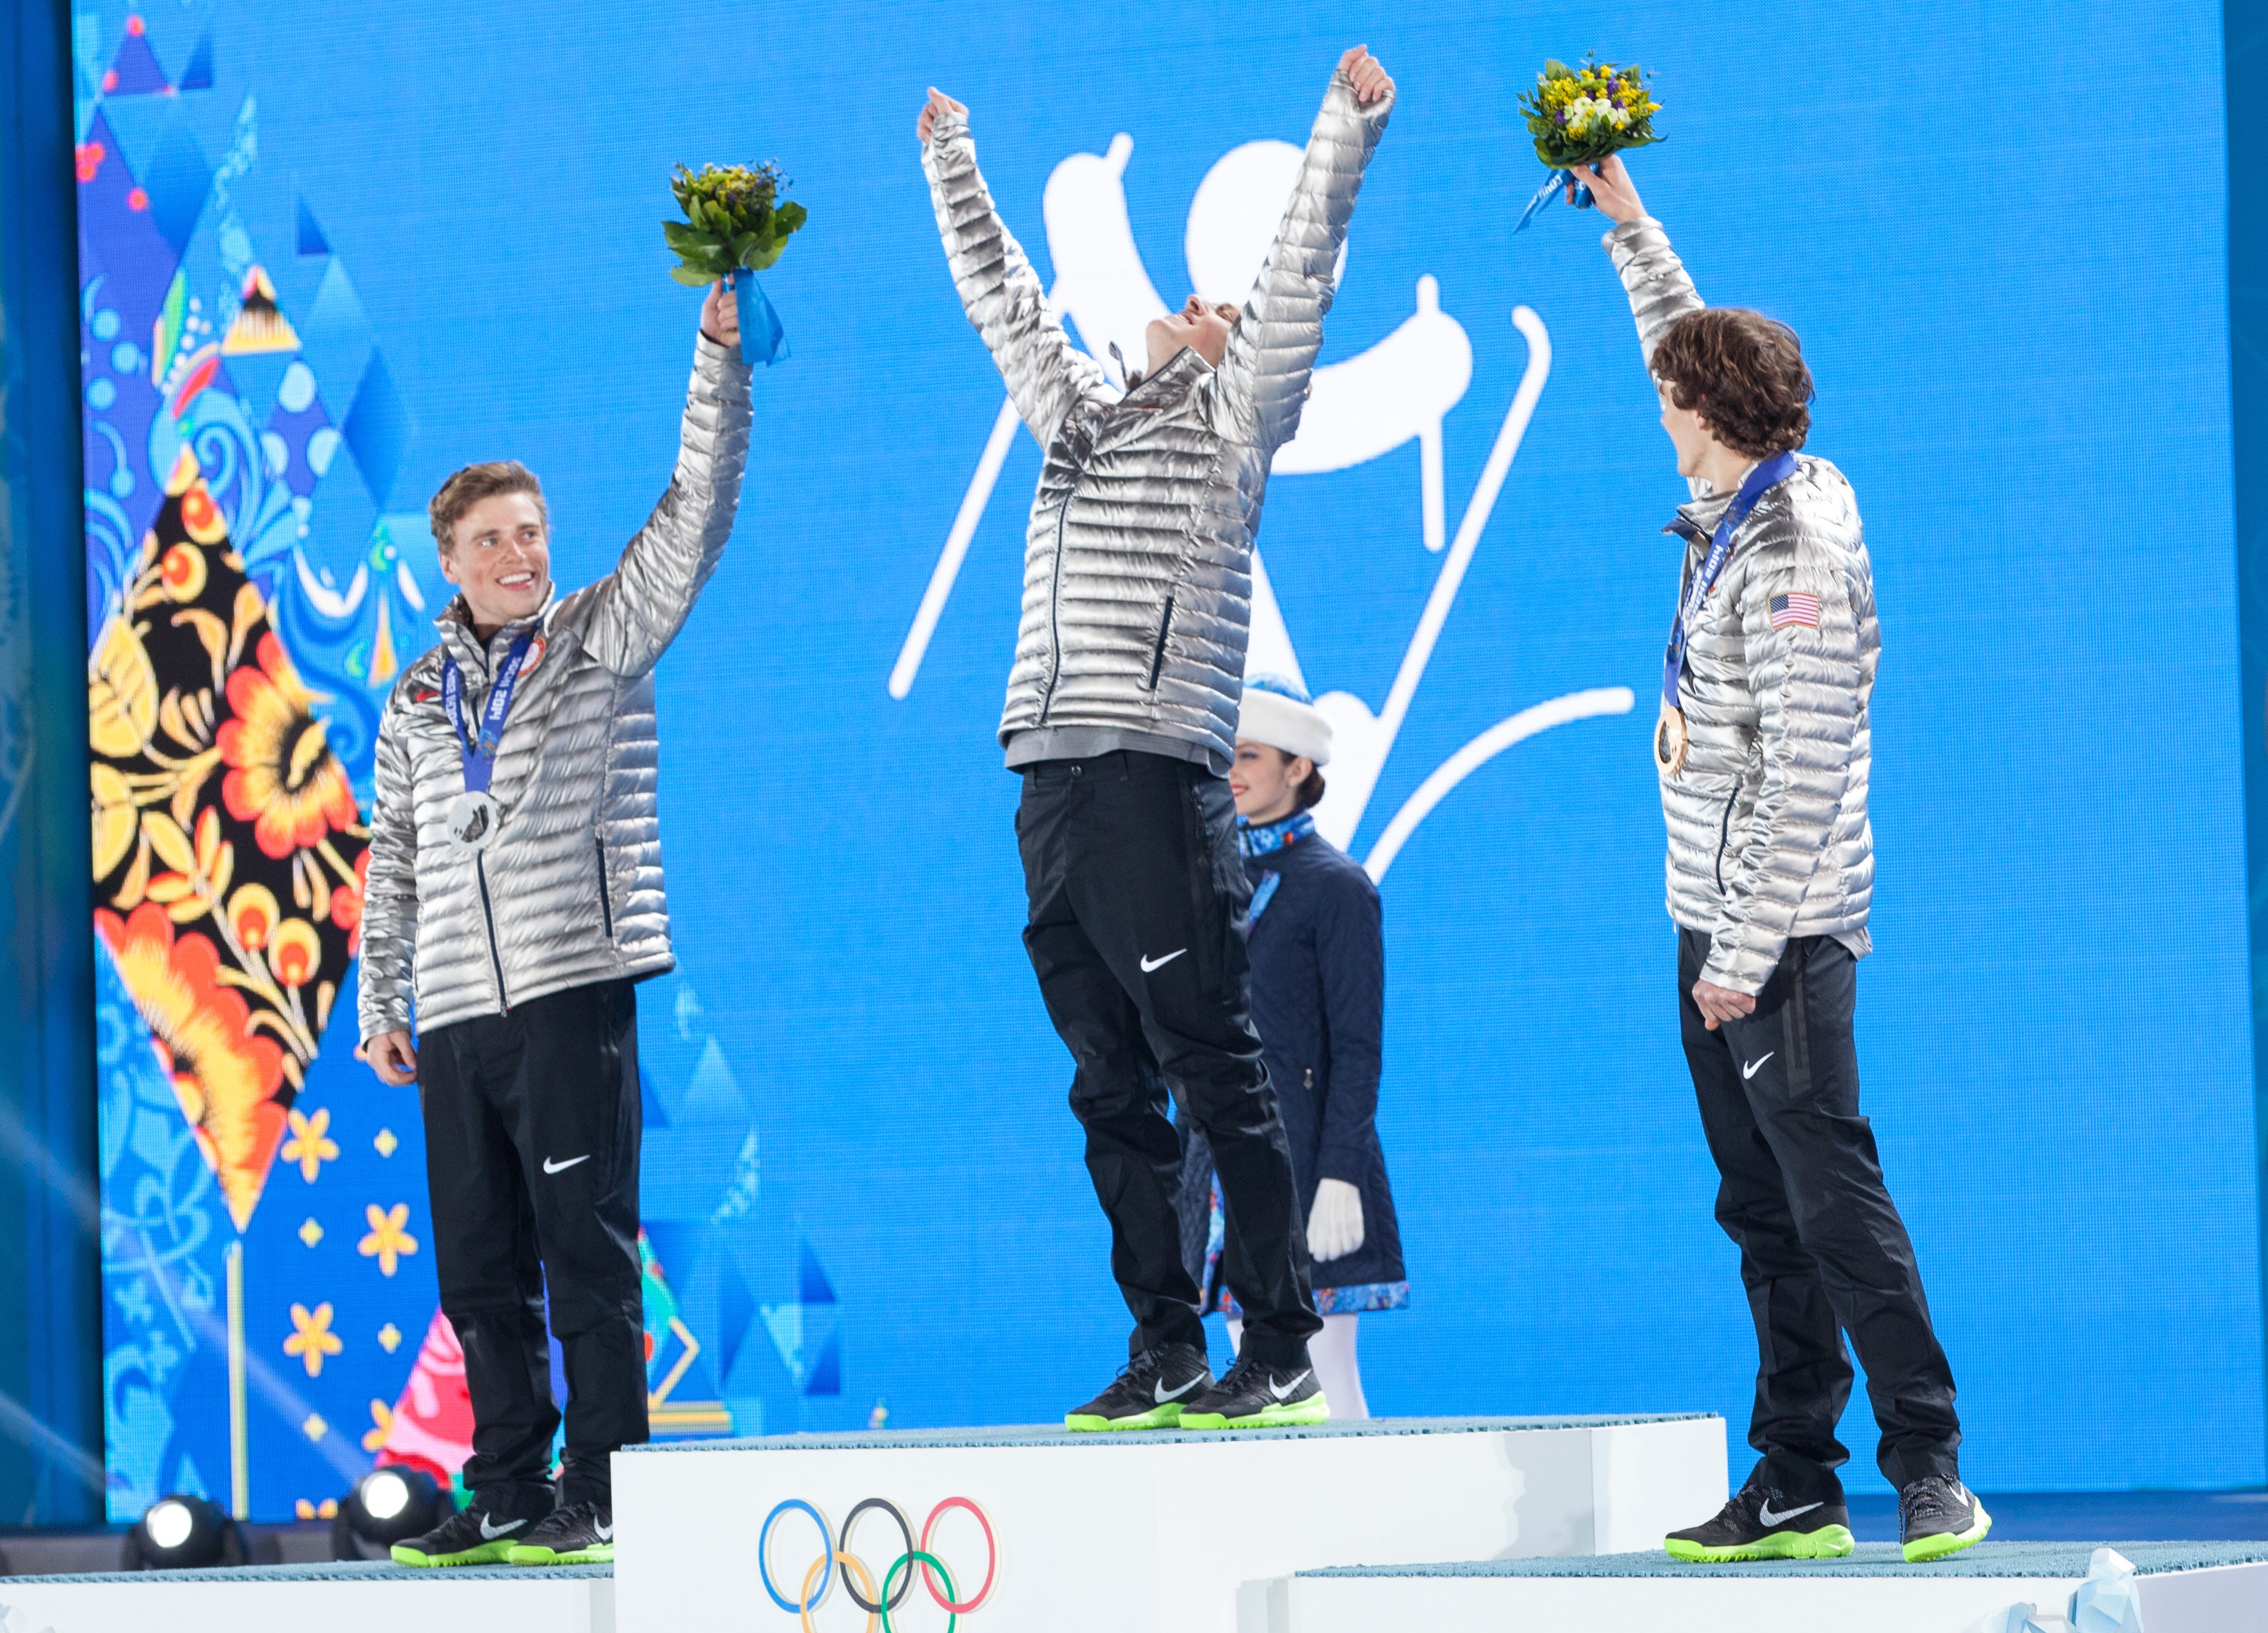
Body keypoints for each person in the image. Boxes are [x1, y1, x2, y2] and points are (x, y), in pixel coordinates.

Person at [916, 45, 1395, 1431]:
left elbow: (1296, 282)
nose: (1199, 305)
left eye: (1220, 311)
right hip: (1048, 780)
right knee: (1107, 1082)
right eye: (1189, 302)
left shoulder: (1232, 432)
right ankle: (1166, 1340)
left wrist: (1341, 131)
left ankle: (1281, 1337)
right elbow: (1003, 300)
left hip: (1152, 772)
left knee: (1211, 1062)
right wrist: (951, 158)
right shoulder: (1073, 419)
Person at [1567, 153, 1986, 1564]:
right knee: (1759, 1208)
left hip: (1780, 935)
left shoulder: (1794, 544)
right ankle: (1797, 1475)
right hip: (1713, 918)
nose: (1657, 410)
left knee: (1831, 1201)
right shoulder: (1743, 491)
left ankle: (1928, 1464)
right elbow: (1678, 338)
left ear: (1708, 415)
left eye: (1668, 399)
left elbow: (1805, 769)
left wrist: (1741, 957)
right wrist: (1630, 227)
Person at [358, 280, 751, 1567]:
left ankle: (608, 1486)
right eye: (492, 539)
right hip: (456, 1013)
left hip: (571, 985)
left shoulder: (597, 637)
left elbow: (694, 513)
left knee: (586, 1253)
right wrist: (382, 1000)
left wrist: (716, 360)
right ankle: (511, 1485)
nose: (519, 553)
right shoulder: (418, 695)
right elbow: (395, 854)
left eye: (531, 531)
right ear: (450, 561)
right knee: (478, 1267)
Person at [1179, 675, 1407, 1420]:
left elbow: (1357, 1049)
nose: (1232, 773)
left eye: (1249, 755)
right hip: (1221, 1163)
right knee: (1248, 1378)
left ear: (1298, 767)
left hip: (1308, 1163)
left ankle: (1361, 1499)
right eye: (1226, 756)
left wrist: (1340, 1172)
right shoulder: (1207, 880)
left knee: (1322, 1367)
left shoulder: (1337, 888)